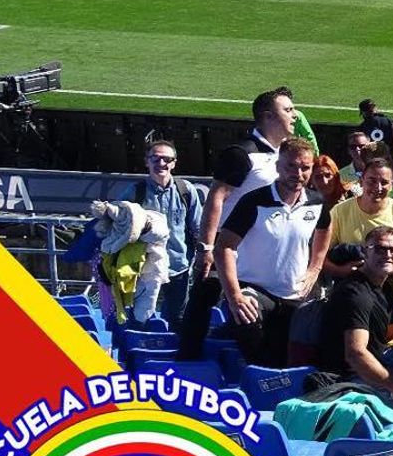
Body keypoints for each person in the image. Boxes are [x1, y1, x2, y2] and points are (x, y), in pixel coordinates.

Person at [179, 88, 296, 360]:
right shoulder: (243, 153)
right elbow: (216, 197)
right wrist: (207, 247)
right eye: (287, 110)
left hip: (263, 251)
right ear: (267, 116)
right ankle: (187, 361)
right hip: (229, 247)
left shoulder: (285, 155)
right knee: (204, 297)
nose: (294, 115)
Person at [213, 137, 330, 366]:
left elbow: (325, 228)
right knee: (246, 312)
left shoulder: (316, 203)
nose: (298, 173)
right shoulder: (254, 202)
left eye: (305, 168)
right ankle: (258, 373)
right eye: (291, 166)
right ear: (278, 167)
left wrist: (315, 267)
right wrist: (234, 295)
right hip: (257, 290)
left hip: (295, 294)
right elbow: (224, 247)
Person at [316, 225, 393, 407]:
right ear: (365, 252)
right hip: (347, 379)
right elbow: (355, 354)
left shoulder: (384, 290)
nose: (388, 255)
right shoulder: (356, 293)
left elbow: (386, 339)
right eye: (381, 249)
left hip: (373, 366)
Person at [135, 139, 204, 327]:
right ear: (146, 162)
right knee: (140, 318)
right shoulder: (135, 192)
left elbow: (198, 227)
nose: (161, 164)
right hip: (145, 268)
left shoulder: (186, 190)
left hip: (179, 266)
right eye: (155, 158)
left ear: (174, 163)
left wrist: (204, 255)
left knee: (177, 320)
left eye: (166, 159)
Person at [325, 159, 393, 280]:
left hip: (390, 288)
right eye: (372, 181)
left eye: (384, 182)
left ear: (392, 185)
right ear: (361, 181)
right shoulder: (339, 212)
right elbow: (319, 254)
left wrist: (385, 269)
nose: (378, 187)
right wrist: (340, 271)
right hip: (350, 286)